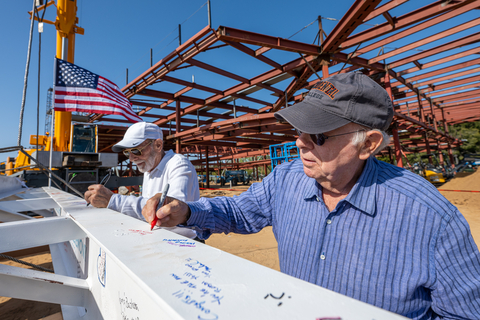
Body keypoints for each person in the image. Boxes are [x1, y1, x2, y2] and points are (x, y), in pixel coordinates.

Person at [142, 72, 480, 319]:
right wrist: (186, 211)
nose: (301, 142)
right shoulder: (286, 179)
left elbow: (464, 315)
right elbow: (238, 211)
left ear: (369, 144)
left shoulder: (431, 217)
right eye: (299, 129)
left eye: (318, 134)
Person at [84, 122, 199, 239]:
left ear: (158, 145)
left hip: (185, 242)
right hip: (159, 237)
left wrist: (113, 200)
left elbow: (173, 209)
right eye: (127, 152)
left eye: (136, 150)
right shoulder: (149, 168)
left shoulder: (178, 164)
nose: (131, 158)